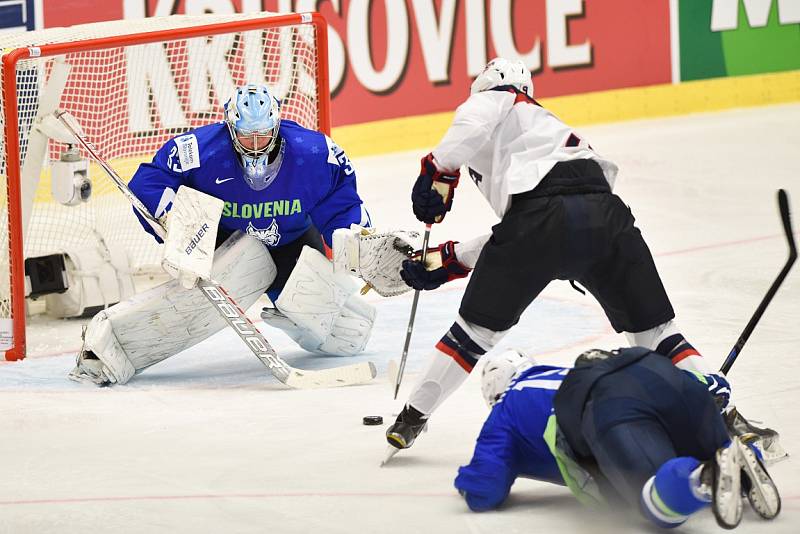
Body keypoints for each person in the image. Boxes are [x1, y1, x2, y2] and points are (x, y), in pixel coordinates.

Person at [386, 58, 781, 459]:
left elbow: (532, 221)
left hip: (542, 220)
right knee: (657, 332)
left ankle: (411, 418)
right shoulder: (544, 132)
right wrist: (447, 260)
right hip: (607, 218)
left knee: (473, 334)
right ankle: (730, 418)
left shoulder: (497, 99)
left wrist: (438, 171)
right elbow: (530, 222)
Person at [69, 83, 394, 386]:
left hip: (291, 243)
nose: (254, 145)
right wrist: (175, 219)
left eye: (262, 136)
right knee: (191, 307)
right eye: (246, 136)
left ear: (277, 127)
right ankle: (109, 347)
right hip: (227, 248)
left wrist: (357, 248)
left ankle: (294, 303)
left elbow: (341, 205)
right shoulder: (200, 150)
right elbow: (149, 181)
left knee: (347, 335)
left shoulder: (314, 152)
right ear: (230, 128)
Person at [455, 348, 781, 530]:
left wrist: (465, 483)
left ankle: (701, 479)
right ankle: (739, 451)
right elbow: (706, 386)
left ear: (493, 393)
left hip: (609, 409)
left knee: (657, 504)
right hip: (654, 371)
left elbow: (485, 488)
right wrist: (706, 383)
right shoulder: (565, 371)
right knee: (700, 443)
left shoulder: (504, 412)